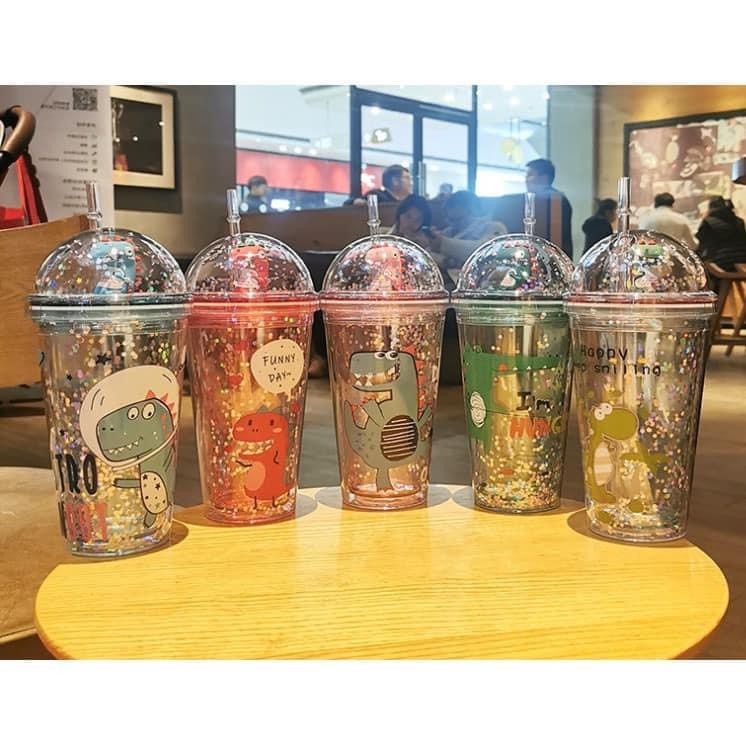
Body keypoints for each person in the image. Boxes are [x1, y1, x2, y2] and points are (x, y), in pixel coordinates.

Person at [426, 191, 508, 276]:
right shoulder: (449, 231)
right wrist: (449, 262)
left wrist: (443, 244)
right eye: (450, 220)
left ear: (475, 211)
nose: (454, 224)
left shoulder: (494, 227)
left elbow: (485, 251)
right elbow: (428, 253)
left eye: (459, 219)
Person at [525, 158, 573, 258]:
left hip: (550, 259)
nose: (526, 179)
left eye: (530, 175)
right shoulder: (535, 200)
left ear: (544, 178)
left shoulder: (555, 201)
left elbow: (555, 239)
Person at [695, 196, 746, 272]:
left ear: (711, 207)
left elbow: (702, 241)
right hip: (743, 258)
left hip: (721, 261)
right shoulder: (739, 221)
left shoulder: (708, 222)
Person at [347, 164, 412, 206]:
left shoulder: (409, 201)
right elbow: (348, 204)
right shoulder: (376, 195)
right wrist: (356, 202)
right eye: (407, 178)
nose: (411, 183)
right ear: (395, 181)